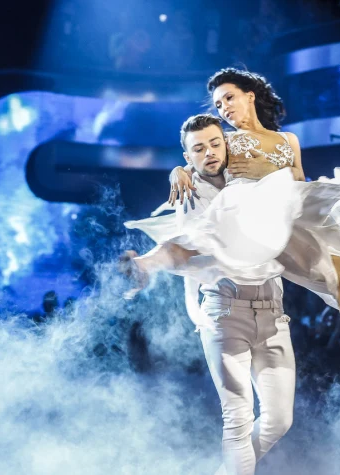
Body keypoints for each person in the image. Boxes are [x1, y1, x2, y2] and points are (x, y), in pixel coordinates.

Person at [125, 68, 340, 395]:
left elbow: (299, 183)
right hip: (244, 215)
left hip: (285, 219)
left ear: (250, 96)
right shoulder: (227, 140)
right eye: (219, 105)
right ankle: (143, 265)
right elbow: (201, 155)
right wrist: (177, 171)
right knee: (201, 240)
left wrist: (289, 180)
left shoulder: (288, 140)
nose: (224, 108)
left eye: (229, 98)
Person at [125, 115, 295, 475]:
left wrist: (180, 169)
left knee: (280, 420)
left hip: (273, 314)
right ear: (188, 156)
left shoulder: (251, 177)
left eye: (216, 143)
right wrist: (147, 264)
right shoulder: (189, 195)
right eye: (199, 149)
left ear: (227, 143)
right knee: (238, 418)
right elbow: (184, 246)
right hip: (225, 313)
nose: (210, 153)